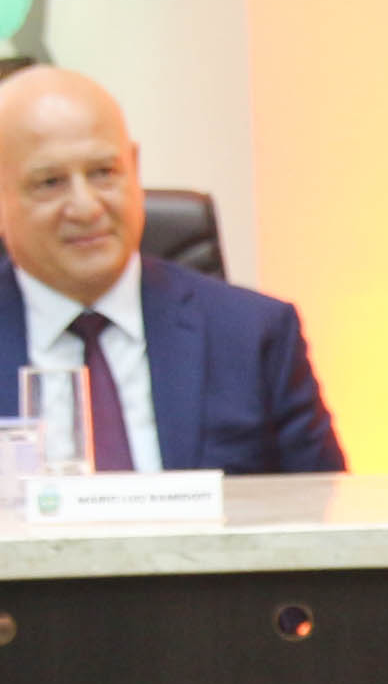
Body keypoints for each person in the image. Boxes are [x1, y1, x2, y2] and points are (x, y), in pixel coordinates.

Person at [0, 65, 345, 473]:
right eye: (50, 182)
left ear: (134, 167)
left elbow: (324, 508)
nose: (86, 207)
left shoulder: (254, 337)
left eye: (104, 173)